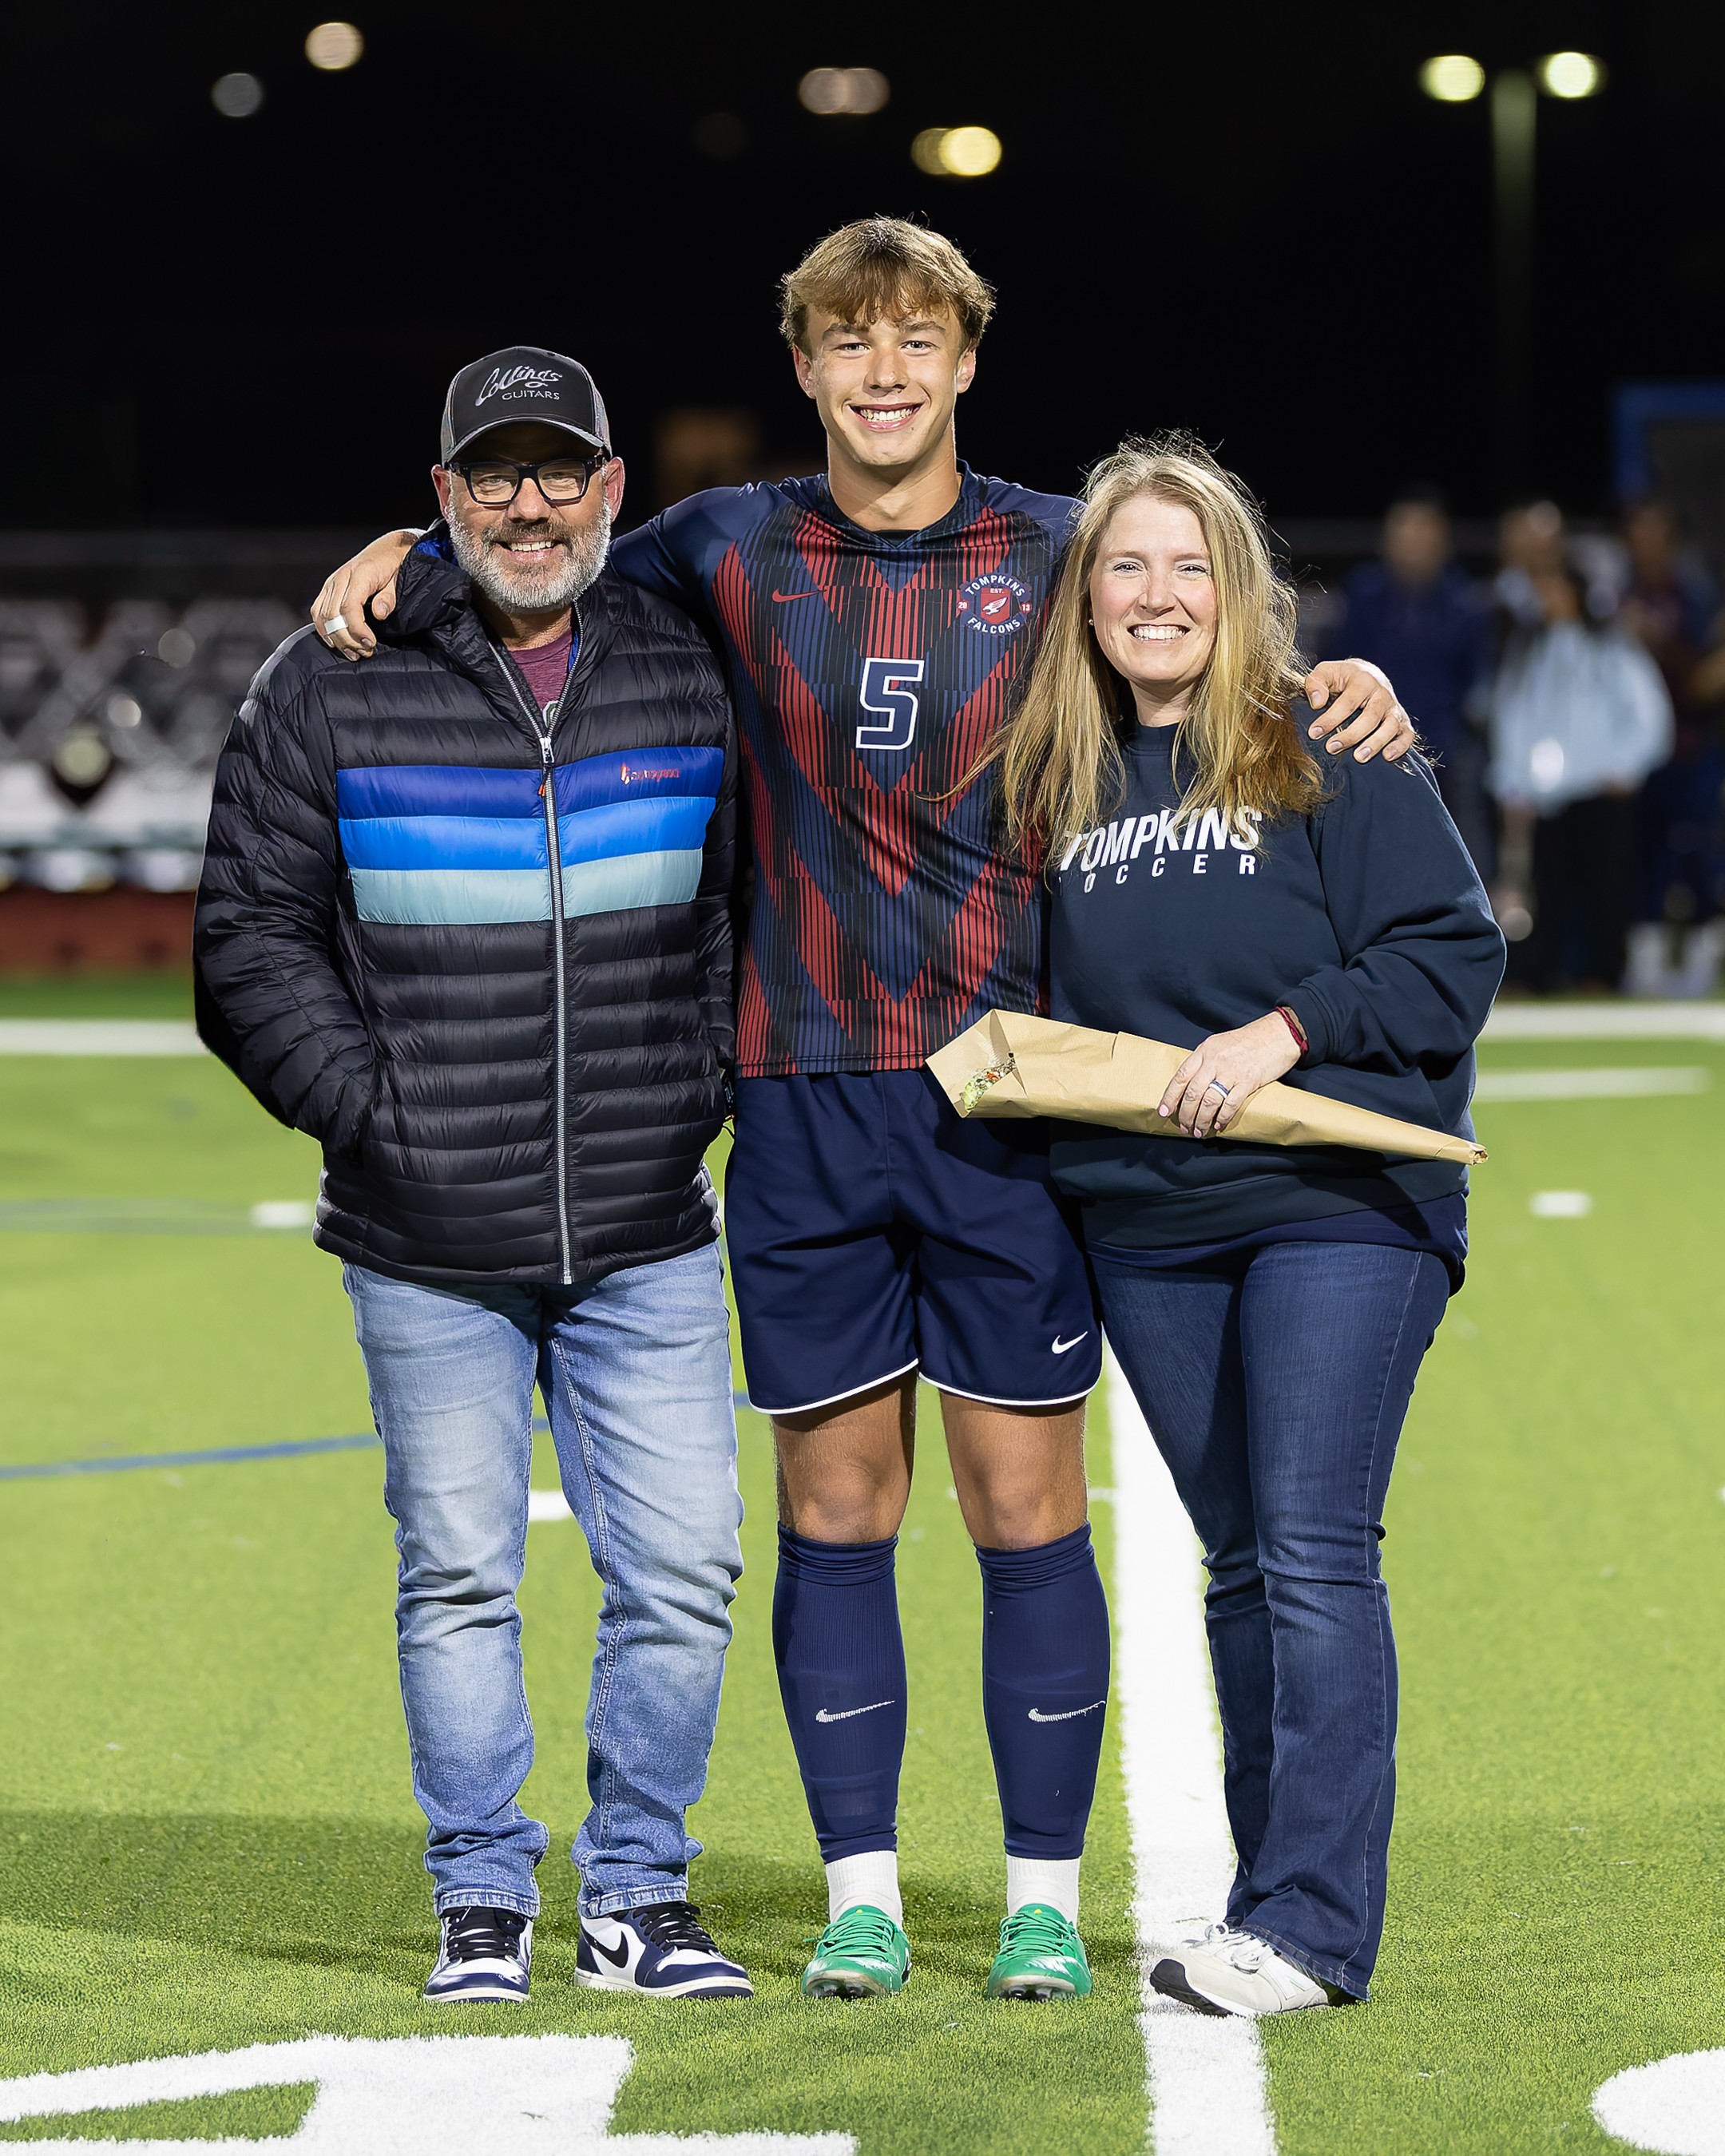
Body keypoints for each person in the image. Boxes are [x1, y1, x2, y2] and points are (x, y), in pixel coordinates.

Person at [306, 221, 1418, 2004]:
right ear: (807, 368)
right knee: (836, 1508)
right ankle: (865, 1892)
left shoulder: (1056, 551)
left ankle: (1042, 1895)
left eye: (918, 341)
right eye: (849, 343)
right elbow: (536, 562)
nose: (885, 371)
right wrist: (399, 547)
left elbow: (1194, 625)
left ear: (969, 358)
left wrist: (1335, 681)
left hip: (1006, 1099)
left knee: (1020, 1502)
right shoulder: (727, 546)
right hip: (802, 1099)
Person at [194, 347, 755, 2004]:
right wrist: (375, 1111)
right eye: (491, 475)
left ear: (611, 492)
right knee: (458, 1572)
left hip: (647, 1225)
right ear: (441, 500)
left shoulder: (689, 663)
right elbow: (246, 937)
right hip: (424, 1230)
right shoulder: (330, 676)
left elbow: (736, 906)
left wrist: (694, 1088)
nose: (529, 502)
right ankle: (483, 1897)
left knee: (686, 1572)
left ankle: (639, 1892)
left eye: (557, 470)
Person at [992, 434, 1505, 2015]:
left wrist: (1283, 1031)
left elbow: (1449, 954)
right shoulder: (1056, 778)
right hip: (1146, 1221)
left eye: (1188, 566)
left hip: (1334, 1207)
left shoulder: (1323, 740)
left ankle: (1311, 1928)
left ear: (1240, 589)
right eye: (1126, 567)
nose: (1156, 596)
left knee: (1310, 1544)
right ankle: (1268, 1908)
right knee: (1239, 1564)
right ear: (1087, 597)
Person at [1489, 562, 1673, 993]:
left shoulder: (1611, 649)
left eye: (1556, 588)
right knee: (1543, 889)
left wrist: (1627, 768)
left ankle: (1603, 974)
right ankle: (1536, 975)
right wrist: (1510, 783)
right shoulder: (1527, 653)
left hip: (1601, 788)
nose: (1548, 598)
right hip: (1547, 796)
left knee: (1606, 885)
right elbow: (1512, 720)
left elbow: (1649, 711)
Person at [1324, 488, 1494, 873]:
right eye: (1404, 535)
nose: (1413, 545)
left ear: (1443, 541)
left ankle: (1481, 907)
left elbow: (1476, 678)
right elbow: (1337, 662)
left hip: (1448, 746)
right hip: (1370, 741)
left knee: (1466, 828)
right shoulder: (1363, 595)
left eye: (1424, 535)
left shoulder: (1466, 602)